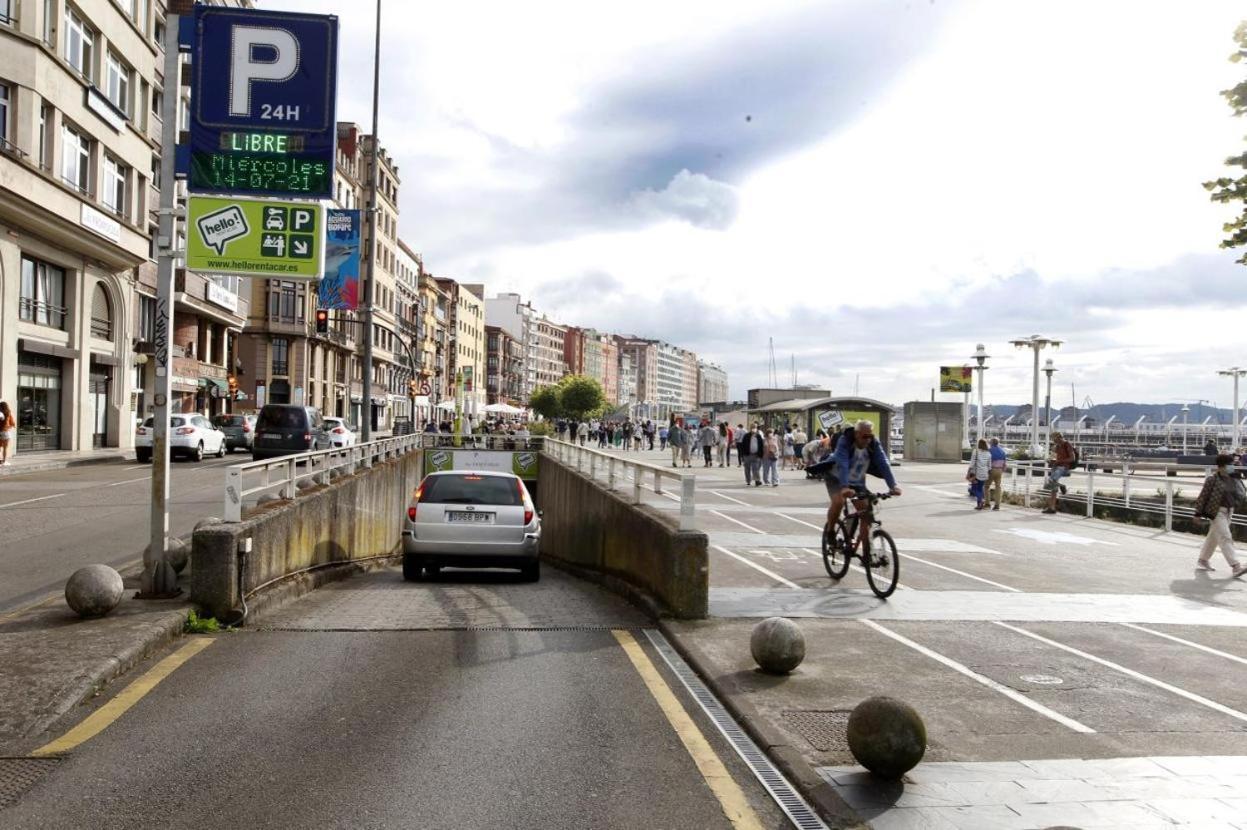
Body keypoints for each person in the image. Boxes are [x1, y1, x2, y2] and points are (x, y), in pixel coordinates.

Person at [825, 420, 902, 533]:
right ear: (856, 434)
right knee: (838, 502)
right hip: (836, 476)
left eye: (870, 436)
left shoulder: (873, 443)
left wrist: (893, 486)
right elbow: (843, 463)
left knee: (866, 513)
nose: (867, 439)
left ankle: (866, 549)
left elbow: (883, 463)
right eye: (864, 436)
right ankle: (830, 531)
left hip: (857, 481)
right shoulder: (845, 441)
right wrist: (845, 486)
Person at [1193, 454, 1247, 577]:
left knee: (1214, 536)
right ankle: (1236, 566)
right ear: (1221, 467)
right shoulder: (1212, 479)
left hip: (1229, 511)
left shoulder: (1234, 478)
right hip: (1217, 511)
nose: (1232, 466)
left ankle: (1203, 560)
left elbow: (1241, 493)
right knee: (1225, 536)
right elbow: (1203, 497)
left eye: (1233, 464)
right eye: (1230, 465)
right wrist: (1197, 513)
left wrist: (1238, 478)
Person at [1043, 432, 1076, 514]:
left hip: (1063, 467)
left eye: (1054, 438)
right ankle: (1052, 508)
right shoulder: (1057, 446)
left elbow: (1072, 458)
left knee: (1051, 481)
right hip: (1056, 467)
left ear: (1058, 437)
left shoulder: (1067, 444)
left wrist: (1059, 461)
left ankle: (1062, 486)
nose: (1053, 440)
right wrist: (1051, 461)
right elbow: (1054, 457)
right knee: (1052, 487)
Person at [967, 438, 991, 510]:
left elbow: (972, 463)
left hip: (976, 474)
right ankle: (979, 505)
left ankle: (981, 500)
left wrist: (968, 472)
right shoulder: (988, 454)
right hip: (984, 474)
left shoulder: (976, 451)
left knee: (974, 489)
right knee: (980, 489)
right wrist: (988, 474)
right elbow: (989, 466)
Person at [988, 438, 1008, 511]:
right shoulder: (1002, 451)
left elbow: (988, 462)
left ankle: (987, 503)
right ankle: (997, 505)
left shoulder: (989, 451)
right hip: (1000, 470)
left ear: (992, 443)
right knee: (998, 487)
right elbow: (1005, 463)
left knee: (986, 486)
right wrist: (1002, 470)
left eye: (990, 442)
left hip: (992, 469)